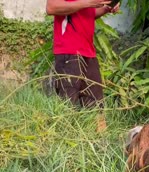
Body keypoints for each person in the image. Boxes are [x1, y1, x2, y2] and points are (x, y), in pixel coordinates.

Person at [45, 0, 120, 132]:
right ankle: (64, 142)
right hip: (68, 52)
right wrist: (87, 3)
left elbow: (87, 14)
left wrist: (106, 9)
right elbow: (52, 7)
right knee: (67, 104)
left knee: (96, 105)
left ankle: (99, 146)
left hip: (88, 52)